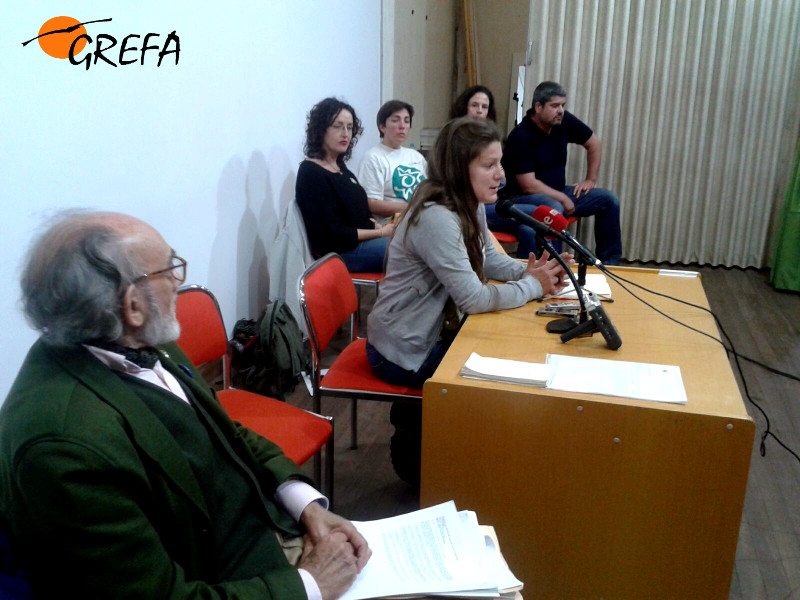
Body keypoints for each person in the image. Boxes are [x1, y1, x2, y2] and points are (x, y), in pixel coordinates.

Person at [0, 210, 370, 599]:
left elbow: (227, 432)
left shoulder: (141, 340)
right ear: (132, 306)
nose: (179, 282)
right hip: (233, 578)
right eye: (168, 270)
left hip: (264, 533)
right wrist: (311, 584)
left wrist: (305, 504)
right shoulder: (63, 446)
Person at [365, 118, 571, 484]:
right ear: (461, 168)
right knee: (500, 373)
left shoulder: (466, 201)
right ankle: (446, 458)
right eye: (489, 165)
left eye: (500, 163)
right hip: (403, 348)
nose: (501, 176)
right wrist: (534, 286)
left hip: (434, 332)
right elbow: (474, 297)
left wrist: (532, 270)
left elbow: (490, 260)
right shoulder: (437, 217)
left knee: (509, 352)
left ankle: (465, 452)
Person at [501, 81, 622, 264]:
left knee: (609, 200)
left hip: (557, 192)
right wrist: (562, 198)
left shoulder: (563, 122)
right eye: (555, 106)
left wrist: (590, 179)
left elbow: (593, 144)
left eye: (563, 105)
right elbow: (528, 185)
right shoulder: (521, 136)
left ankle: (611, 264)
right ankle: (556, 269)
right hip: (522, 198)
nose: (561, 111)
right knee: (554, 208)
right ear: (538, 107)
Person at [296, 97, 392, 273]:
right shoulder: (311, 172)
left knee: (416, 242)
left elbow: (355, 211)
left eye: (349, 127)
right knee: (411, 251)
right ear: (321, 129)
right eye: (338, 126)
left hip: (358, 244)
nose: (345, 134)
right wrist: (380, 233)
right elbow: (334, 235)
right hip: (337, 254)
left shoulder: (339, 166)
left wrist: (375, 226)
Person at [450, 85, 538, 258]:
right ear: (464, 108)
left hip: (491, 204)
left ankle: (533, 273)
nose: (479, 111)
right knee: (538, 212)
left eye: (484, 107)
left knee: (529, 230)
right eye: (474, 105)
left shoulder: (491, 140)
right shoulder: (455, 139)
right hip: (468, 206)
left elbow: (502, 181)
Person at [358, 100, 427, 224]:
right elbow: (372, 203)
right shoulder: (373, 158)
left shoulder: (416, 157)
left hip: (421, 221)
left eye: (406, 121)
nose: (402, 126)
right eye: (395, 120)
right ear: (382, 126)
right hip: (392, 226)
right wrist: (413, 208)